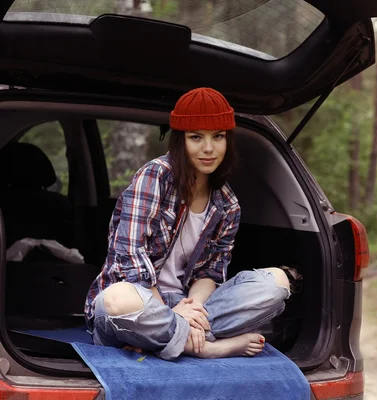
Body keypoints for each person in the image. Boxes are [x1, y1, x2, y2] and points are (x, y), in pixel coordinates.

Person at [84, 88, 290, 360]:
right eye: (196, 137)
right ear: (180, 141)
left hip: (186, 305)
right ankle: (207, 347)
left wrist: (192, 311)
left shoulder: (228, 203)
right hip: (142, 301)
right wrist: (170, 312)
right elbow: (129, 258)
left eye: (218, 137)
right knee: (118, 300)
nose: (208, 148)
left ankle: (166, 337)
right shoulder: (155, 176)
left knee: (276, 282)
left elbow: (210, 273)